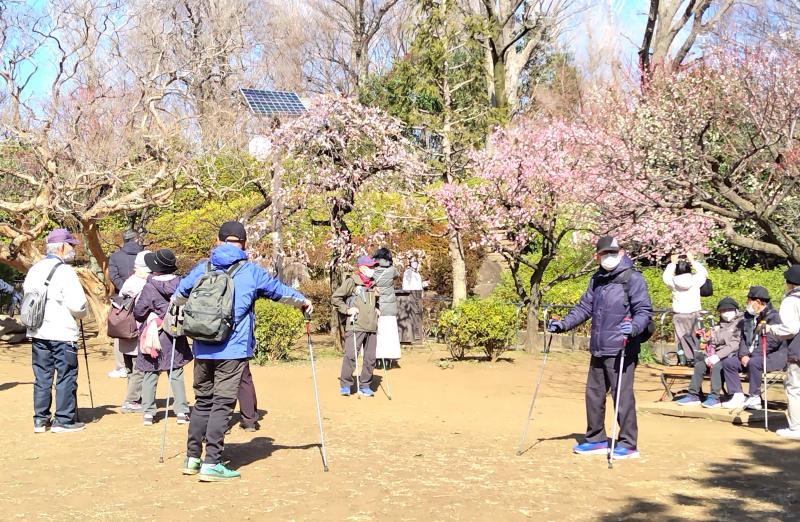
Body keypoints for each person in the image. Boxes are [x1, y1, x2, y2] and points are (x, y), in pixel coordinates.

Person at [174, 221, 312, 482]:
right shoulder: (251, 271)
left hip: (202, 347)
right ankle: (212, 462)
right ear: (244, 244)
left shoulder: (203, 267)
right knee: (223, 404)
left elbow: (179, 296)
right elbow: (279, 292)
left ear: (218, 240)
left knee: (203, 402)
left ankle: (192, 458)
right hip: (232, 349)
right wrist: (303, 301)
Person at [548, 236, 652, 460]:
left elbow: (644, 310)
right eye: (604, 254)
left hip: (622, 348)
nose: (608, 257)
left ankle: (628, 443)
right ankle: (596, 439)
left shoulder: (632, 278)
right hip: (598, 346)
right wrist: (563, 324)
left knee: (622, 397)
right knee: (593, 395)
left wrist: (633, 327)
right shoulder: (597, 279)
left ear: (621, 252)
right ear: (597, 256)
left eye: (612, 253)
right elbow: (584, 307)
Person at [24, 228, 88, 433]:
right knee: (66, 375)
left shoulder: (34, 269)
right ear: (61, 247)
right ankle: (63, 420)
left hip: (38, 331)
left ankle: (40, 420)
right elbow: (78, 307)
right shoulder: (65, 271)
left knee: (42, 376)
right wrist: (82, 315)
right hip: (62, 333)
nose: (73, 250)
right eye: (71, 245)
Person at [133, 249, 192, 426]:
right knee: (176, 372)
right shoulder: (181, 283)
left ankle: (149, 412)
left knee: (150, 373)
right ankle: (182, 410)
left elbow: (139, 312)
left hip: (153, 334)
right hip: (174, 331)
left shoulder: (149, 287)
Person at [721, 286, 787, 409]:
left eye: (749, 301)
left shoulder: (773, 316)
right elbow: (743, 338)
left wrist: (753, 356)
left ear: (757, 302)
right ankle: (737, 395)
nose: (747, 304)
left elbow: (772, 341)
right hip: (751, 355)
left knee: (755, 362)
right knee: (729, 362)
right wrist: (743, 354)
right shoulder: (748, 316)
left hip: (775, 356)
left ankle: (754, 397)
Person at [676, 297, 743, 408]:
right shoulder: (718, 325)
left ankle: (714, 397)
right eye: (722, 311)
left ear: (735, 310)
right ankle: (693, 395)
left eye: (728, 310)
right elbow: (713, 342)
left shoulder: (741, 323)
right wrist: (709, 354)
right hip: (715, 355)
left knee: (717, 366)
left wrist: (717, 356)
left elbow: (735, 344)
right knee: (699, 365)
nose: (725, 313)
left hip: (730, 356)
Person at [332, 255, 380, 397]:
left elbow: (376, 301)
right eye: (370, 267)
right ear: (362, 268)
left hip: (372, 325)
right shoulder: (351, 281)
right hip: (355, 324)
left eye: (373, 266)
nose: (373, 269)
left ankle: (365, 385)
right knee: (351, 355)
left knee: (371, 358)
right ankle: (346, 385)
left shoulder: (374, 283)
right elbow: (336, 298)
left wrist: (377, 307)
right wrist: (347, 309)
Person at [763, 265, 800, 439]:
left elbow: (790, 329)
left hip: (798, 352)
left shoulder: (791, 300)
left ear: (790, 283)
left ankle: (796, 428)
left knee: (795, 388)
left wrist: (771, 329)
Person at [116, 250, 151, 413]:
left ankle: (135, 398)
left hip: (123, 329)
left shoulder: (128, 281)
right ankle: (131, 400)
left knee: (131, 367)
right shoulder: (142, 284)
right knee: (140, 367)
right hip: (137, 330)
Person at [107, 230, 143, 379]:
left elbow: (113, 275)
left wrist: (125, 288)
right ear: (137, 239)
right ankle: (143, 361)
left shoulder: (115, 256)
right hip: (143, 294)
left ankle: (121, 366)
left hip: (122, 298)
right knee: (142, 327)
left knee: (120, 328)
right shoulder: (144, 254)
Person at [662, 253, 708, 363]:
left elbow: (665, 276)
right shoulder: (695, 280)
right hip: (694, 313)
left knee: (681, 338)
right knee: (695, 337)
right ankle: (696, 358)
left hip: (679, 314)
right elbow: (704, 273)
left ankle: (685, 359)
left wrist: (672, 263)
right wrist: (692, 260)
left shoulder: (673, 282)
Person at [373, 247, 401, 363]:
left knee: (378, 333)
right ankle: (388, 359)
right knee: (390, 333)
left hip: (377, 306)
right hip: (390, 307)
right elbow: (397, 275)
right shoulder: (392, 270)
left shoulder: (373, 271)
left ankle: (377, 359)